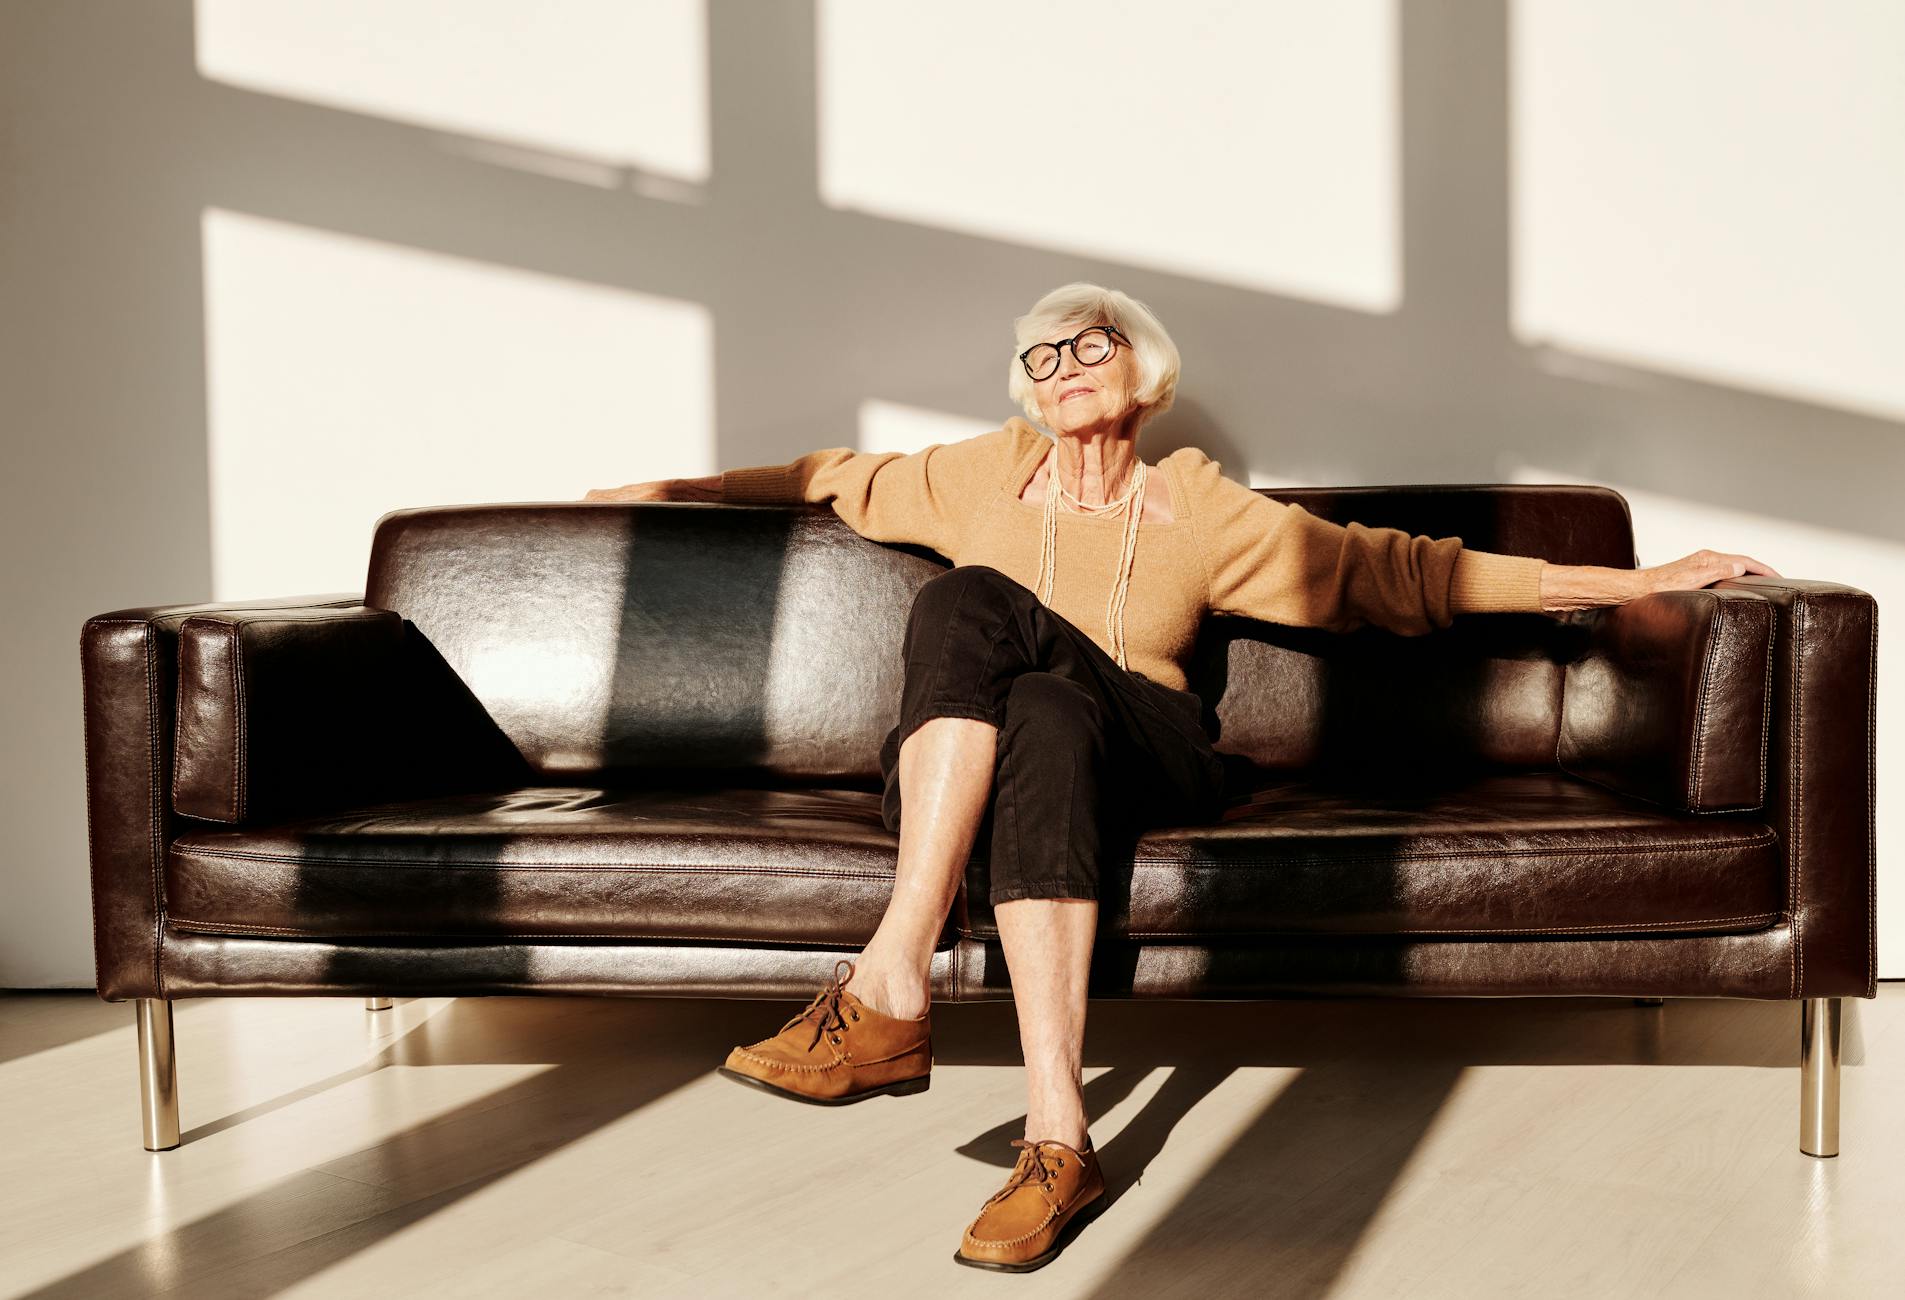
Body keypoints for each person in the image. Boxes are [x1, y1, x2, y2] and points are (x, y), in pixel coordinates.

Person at [583, 281, 1781, 1271]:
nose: (1061, 366)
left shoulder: (1201, 511)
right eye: (1040, 355)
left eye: (1087, 343)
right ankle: (1060, 1138)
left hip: (1148, 752)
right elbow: (819, 476)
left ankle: (891, 979)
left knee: (980, 610)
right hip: (998, 765)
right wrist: (660, 497)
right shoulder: (973, 476)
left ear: (1142, 370)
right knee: (1035, 697)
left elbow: (1400, 574)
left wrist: (1630, 583)